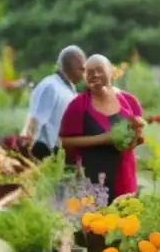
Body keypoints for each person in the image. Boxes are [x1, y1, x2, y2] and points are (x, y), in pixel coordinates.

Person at [59, 55, 145, 202]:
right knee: (97, 221)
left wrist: (136, 137)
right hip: (93, 179)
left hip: (125, 176)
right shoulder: (78, 105)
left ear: (111, 71)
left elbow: (138, 137)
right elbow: (64, 141)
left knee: (126, 219)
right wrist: (103, 139)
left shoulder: (129, 101)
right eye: (89, 72)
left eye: (100, 70)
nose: (95, 75)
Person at [21, 46, 86, 159]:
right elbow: (35, 120)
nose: (84, 73)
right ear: (71, 66)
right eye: (81, 68)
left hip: (57, 153)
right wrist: (26, 155)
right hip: (41, 151)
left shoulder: (69, 90)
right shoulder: (51, 86)